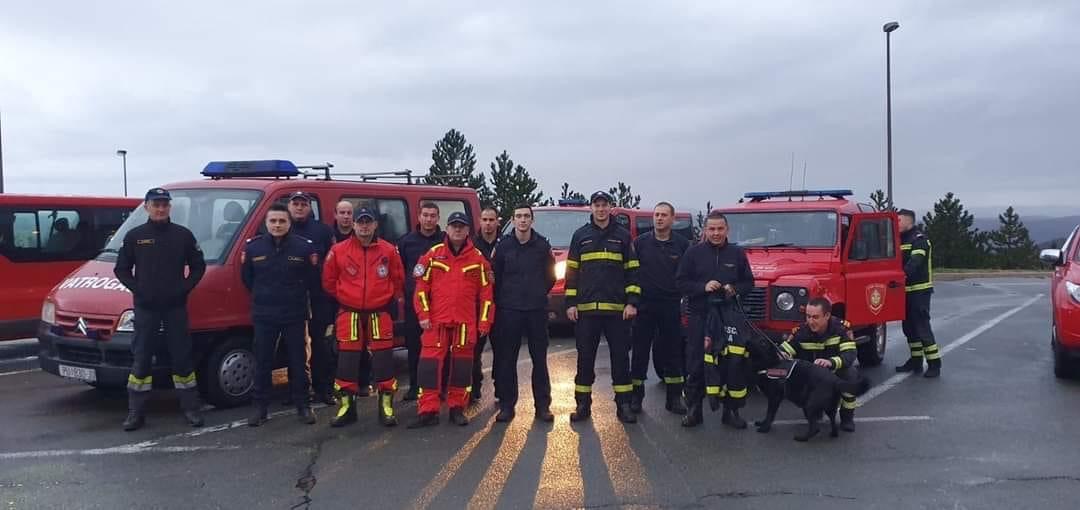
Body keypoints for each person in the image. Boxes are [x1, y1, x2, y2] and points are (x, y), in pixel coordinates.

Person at [114, 188, 207, 431]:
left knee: (182, 359)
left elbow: (198, 266)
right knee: (141, 360)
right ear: (146, 207)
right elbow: (121, 270)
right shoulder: (135, 236)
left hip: (175, 308)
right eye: (156, 204)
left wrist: (184, 288)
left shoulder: (183, 235)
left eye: (164, 204)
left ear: (170, 207)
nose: (160, 208)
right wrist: (138, 290)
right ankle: (136, 413)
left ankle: (191, 409)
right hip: (146, 309)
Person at [408, 212, 494, 428]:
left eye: (462, 226)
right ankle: (428, 411)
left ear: (467, 230)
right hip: (435, 323)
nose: (457, 230)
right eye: (454, 226)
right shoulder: (433, 255)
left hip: (465, 323)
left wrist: (484, 322)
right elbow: (420, 290)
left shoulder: (477, 258)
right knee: (429, 367)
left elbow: (486, 296)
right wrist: (424, 315)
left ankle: (457, 408)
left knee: (462, 368)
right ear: (447, 228)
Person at [322, 207, 405, 427]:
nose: (364, 226)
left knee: (384, 361)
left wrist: (387, 300)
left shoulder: (389, 251)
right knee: (346, 363)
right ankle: (347, 407)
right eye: (361, 222)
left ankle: (386, 406)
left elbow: (398, 280)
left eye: (368, 222)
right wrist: (346, 297)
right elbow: (329, 281)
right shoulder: (338, 250)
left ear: (376, 224)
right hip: (349, 313)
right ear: (354, 224)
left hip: (379, 313)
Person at [565, 191, 641, 424]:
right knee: (584, 359)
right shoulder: (580, 236)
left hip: (617, 311)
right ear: (591, 208)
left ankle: (624, 405)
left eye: (604, 205)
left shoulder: (623, 237)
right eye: (596, 205)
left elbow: (633, 271)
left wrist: (631, 302)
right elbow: (572, 272)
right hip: (587, 311)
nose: (600, 209)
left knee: (620, 359)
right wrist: (570, 304)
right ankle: (582, 405)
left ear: (610, 207)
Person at [241, 204, 320, 426]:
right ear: (266, 223)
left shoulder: (304, 248)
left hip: (294, 314)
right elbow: (247, 278)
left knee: (299, 362)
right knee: (263, 362)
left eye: (281, 221)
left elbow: (313, 280)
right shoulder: (254, 248)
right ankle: (260, 408)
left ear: (289, 223)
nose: (277, 225)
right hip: (264, 314)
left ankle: (304, 405)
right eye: (273, 221)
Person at [676, 210, 754, 428]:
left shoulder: (737, 254)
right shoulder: (693, 253)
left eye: (720, 229)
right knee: (696, 363)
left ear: (727, 230)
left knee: (733, 364)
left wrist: (734, 288)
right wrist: (703, 287)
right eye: (712, 229)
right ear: (705, 230)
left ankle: (731, 412)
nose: (716, 233)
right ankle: (694, 410)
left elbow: (749, 283)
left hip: (729, 317)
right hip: (700, 316)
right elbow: (680, 282)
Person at [492, 204, 556, 423]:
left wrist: (538, 293)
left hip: (536, 310)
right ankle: (507, 406)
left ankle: (543, 407)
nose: (522, 220)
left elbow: (551, 277)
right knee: (507, 359)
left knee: (540, 360)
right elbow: (496, 277)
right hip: (510, 310)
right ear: (513, 219)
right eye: (518, 216)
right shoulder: (503, 247)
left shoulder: (541, 245)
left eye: (526, 216)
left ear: (532, 220)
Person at [630, 202, 691, 415]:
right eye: (656, 215)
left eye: (664, 215)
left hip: (671, 306)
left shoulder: (683, 245)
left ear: (673, 219)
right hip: (644, 306)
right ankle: (636, 398)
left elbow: (689, 275)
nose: (659, 218)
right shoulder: (640, 243)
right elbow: (631, 273)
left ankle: (674, 398)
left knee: (673, 353)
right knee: (639, 353)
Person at [285, 191, 338, 406]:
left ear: (310, 207)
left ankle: (323, 389)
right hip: (291, 298)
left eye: (303, 204)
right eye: (295, 204)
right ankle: (296, 391)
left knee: (321, 346)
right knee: (294, 346)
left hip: (319, 297)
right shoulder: (280, 229)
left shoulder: (323, 231)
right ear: (289, 206)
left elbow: (334, 262)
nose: (299, 208)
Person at [780, 297, 859, 432]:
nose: (811, 321)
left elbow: (850, 355)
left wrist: (831, 362)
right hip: (812, 377)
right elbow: (785, 349)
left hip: (834, 372)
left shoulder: (841, 328)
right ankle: (812, 408)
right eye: (808, 316)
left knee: (850, 374)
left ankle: (847, 417)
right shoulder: (801, 331)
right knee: (788, 381)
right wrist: (780, 354)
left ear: (827, 316)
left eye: (815, 317)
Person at [397, 202, 443, 401]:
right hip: (414, 305)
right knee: (415, 346)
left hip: (440, 304)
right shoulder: (406, 241)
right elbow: (400, 271)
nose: (429, 219)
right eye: (425, 215)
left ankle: (439, 386)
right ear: (419, 216)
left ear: (438, 218)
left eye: (433, 215)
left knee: (440, 347)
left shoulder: (445, 240)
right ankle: (415, 385)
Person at [330, 200, 373, 396]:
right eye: (342, 212)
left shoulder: (382, 246)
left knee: (367, 348)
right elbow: (328, 277)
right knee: (341, 348)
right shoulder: (329, 238)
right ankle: (337, 388)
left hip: (372, 307)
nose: (346, 216)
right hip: (342, 305)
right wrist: (342, 296)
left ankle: (364, 382)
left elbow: (395, 278)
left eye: (349, 212)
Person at [896, 208, 941, 378]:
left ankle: (934, 363)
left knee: (922, 328)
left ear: (909, 221)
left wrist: (899, 276)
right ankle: (916, 361)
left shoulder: (919, 240)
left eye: (899, 220)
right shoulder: (900, 239)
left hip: (919, 291)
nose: (897, 223)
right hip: (904, 291)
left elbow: (915, 262)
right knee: (909, 328)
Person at [471, 206, 501, 405]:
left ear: (498, 222)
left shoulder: (506, 244)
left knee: (502, 350)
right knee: (473, 350)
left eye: (491, 220)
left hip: (501, 305)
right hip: (475, 306)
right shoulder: (470, 245)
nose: (488, 224)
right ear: (480, 222)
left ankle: (501, 388)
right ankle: (473, 388)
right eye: (485, 219)